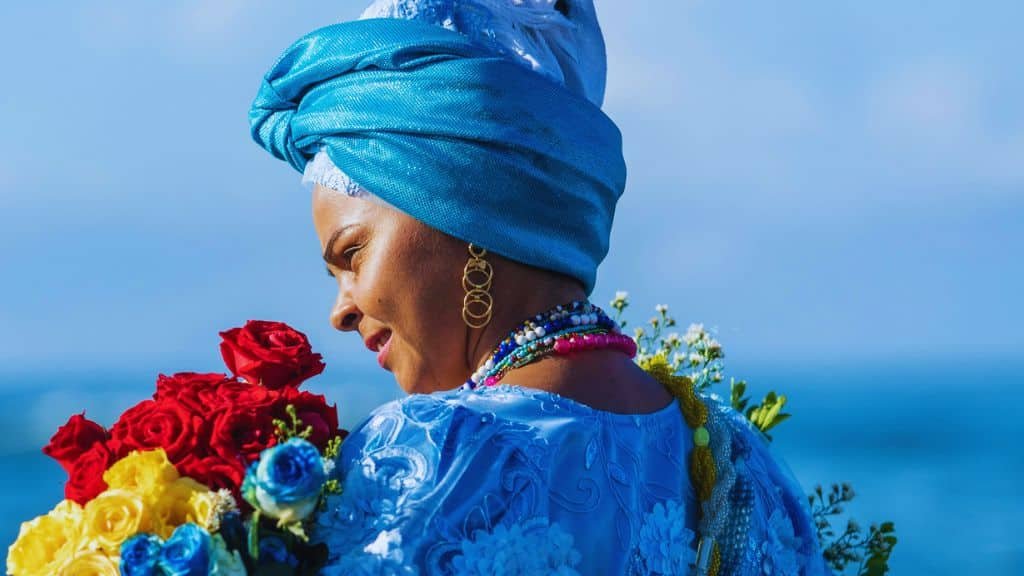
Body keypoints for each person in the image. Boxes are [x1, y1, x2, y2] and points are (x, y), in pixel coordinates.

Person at [249, 1, 833, 574]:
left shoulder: (437, 451)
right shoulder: (739, 464)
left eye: (352, 254)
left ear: (459, 211)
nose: (340, 311)